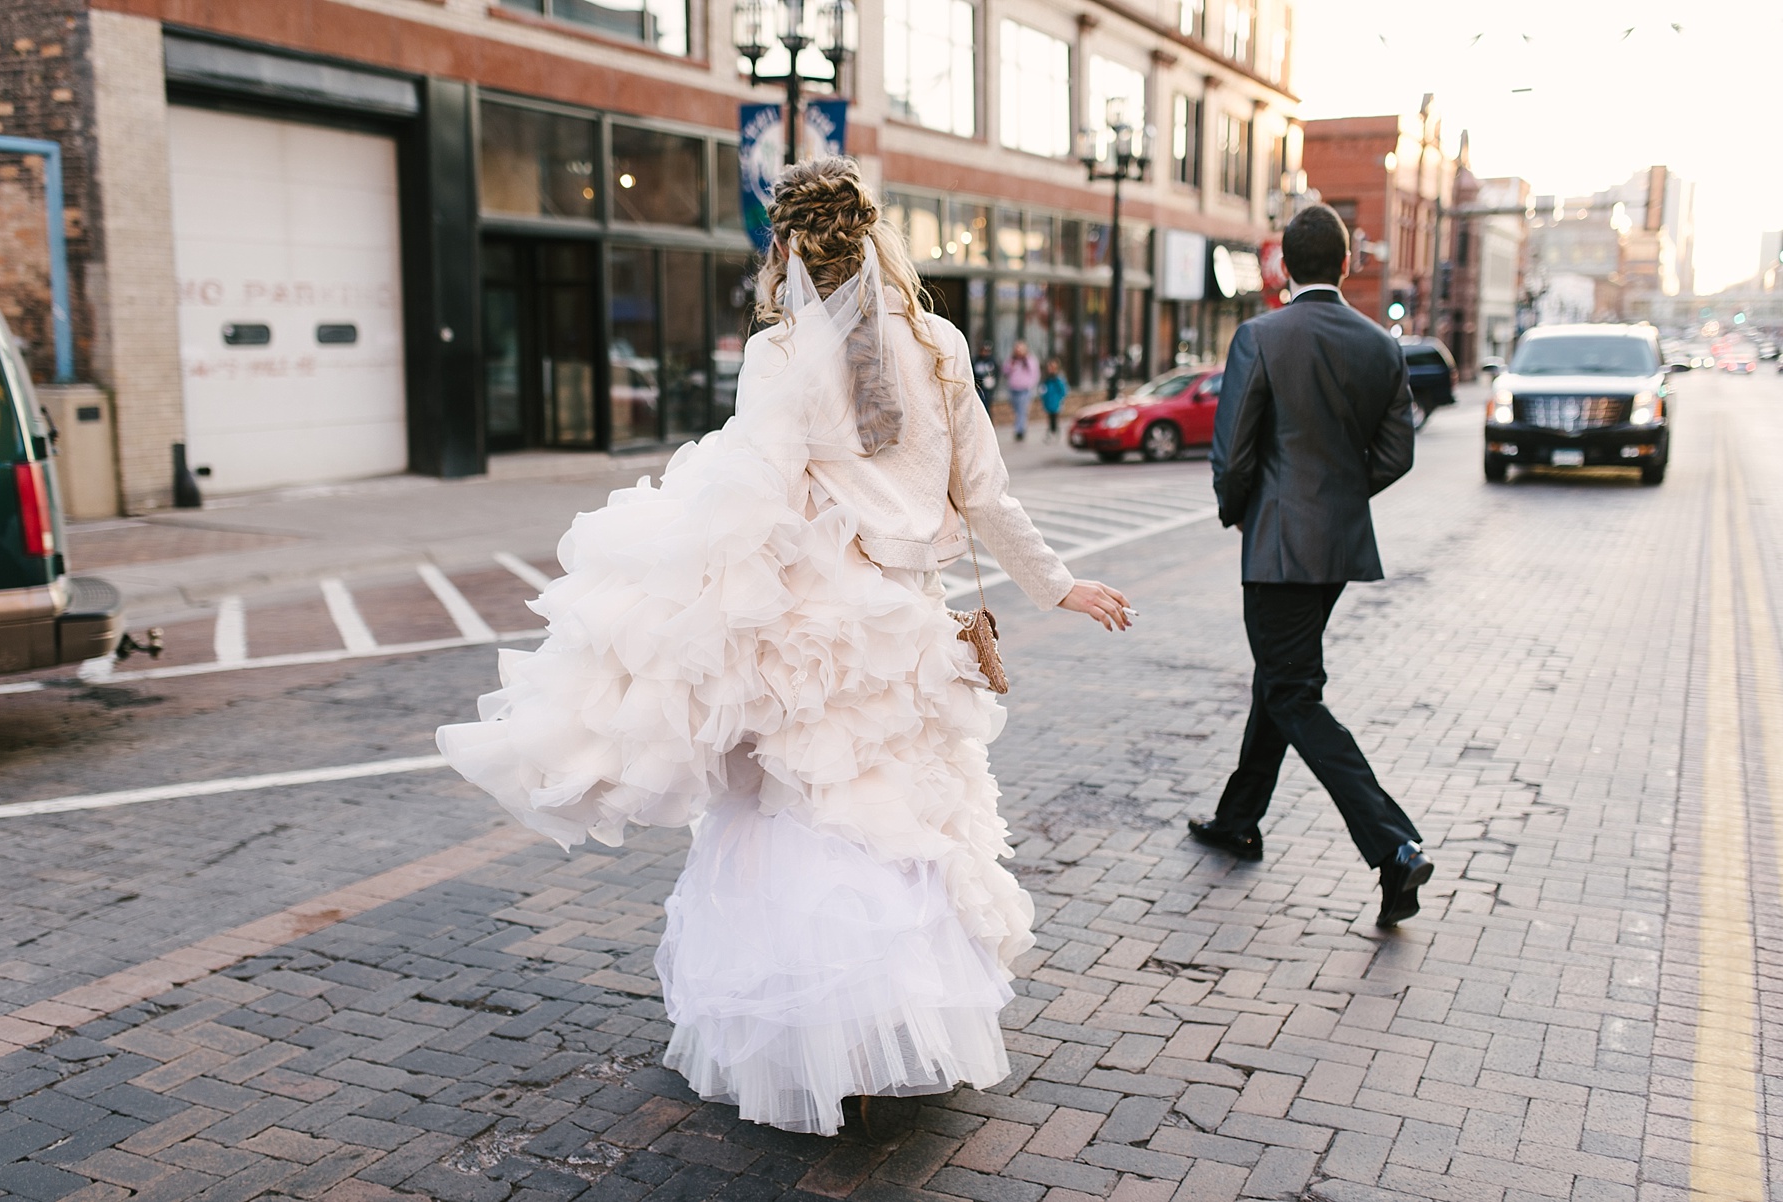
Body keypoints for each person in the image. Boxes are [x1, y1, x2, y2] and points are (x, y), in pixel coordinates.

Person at [436, 157, 1132, 1137]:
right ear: (877, 234)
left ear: (789, 249)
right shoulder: (939, 343)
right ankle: (896, 1024)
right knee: (900, 820)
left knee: (800, 821)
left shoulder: (781, 353)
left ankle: (817, 1039)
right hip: (910, 632)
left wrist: (681, 600)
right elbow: (985, 494)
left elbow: (752, 496)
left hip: (815, 629)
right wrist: (1061, 584)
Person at [1189, 203, 1431, 927]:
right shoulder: (1381, 347)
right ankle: (1239, 818)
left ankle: (1393, 847)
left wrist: (1242, 511)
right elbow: (1396, 455)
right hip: (1335, 552)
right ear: (1348, 265)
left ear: (1283, 266)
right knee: (1283, 677)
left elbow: (1233, 455)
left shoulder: (1260, 337)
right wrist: (1335, 502)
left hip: (1275, 550)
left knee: (1293, 693)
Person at [1003, 340, 1039, 442]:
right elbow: (1005, 371)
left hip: (1024, 389)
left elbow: (1035, 373)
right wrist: (1011, 365)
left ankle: (1020, 431)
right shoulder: (1012, 360)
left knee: (1022, 410)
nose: (1019, 351)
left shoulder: (1029, 360)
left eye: (1021, 349)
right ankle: (1020, 427)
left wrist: (1030, 385)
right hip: (1013, 388)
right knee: (1016, 410)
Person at [1039, 358, 1068, 443]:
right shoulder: (1047, 379)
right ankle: (1052, 432)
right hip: (1048, 402)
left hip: (1056, 402)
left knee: (1054, 418)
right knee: (1050, 418)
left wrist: (1061, 399)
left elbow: (1063, 390)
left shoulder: (1058, 379)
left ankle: (1054, 432)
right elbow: (1043, 390)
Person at [972, 340, 1000, 420]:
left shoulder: (991, 361)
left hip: (988, 387)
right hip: (978, 387)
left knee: (986, 404)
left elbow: (996, 373)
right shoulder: (976, 361)